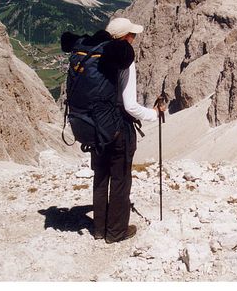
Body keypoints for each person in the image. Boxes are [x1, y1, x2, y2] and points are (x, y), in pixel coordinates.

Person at [61, 18, 164, 244]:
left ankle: (99, 229)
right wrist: (154, 114)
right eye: (132, 35)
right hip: (118, 129)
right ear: (124, 37)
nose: (134, 39)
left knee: (101, 177)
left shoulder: (93, 54)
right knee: (120, 180)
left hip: (93, 126)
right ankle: (116, 232)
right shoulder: (123, 58)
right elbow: (130, 106)